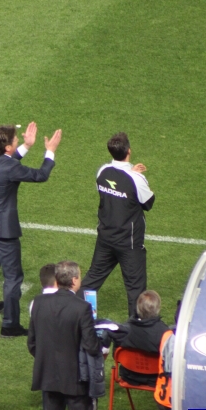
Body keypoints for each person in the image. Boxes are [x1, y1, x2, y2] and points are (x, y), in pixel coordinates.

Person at [0, 122, 62, 338]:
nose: (18, 140)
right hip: (1, 230)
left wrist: (27, 146)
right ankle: (10, 325)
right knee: (13, 277)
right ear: (8, 147)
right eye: (16, 140)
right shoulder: (9, 167)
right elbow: (41, 175)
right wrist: (50, 151)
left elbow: (8, 161)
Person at [81, 132, 155, 317]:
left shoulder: (102, 171)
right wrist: (134, 175)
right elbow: (148, 203)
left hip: (105, 238)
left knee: (91, 281)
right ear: (129, 151)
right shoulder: (136, 179)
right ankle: (135, 329)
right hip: (129, 243)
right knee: (135, 289)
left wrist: (130, 173)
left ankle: (78, 317)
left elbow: (114, 186)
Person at [28, 261, 102, 410]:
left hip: (48, 375)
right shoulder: (82, 307)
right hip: (75, 379)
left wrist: (47, 361)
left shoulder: (38, 303)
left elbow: (32, 343)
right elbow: (91, 346)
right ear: (74, 280)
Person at [99, 290, 169, 387]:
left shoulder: (124, 331)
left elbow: (116, 356)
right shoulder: (165, 333)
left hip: (129, 376)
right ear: (158, 308)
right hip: (157, 377)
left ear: (138, 308)